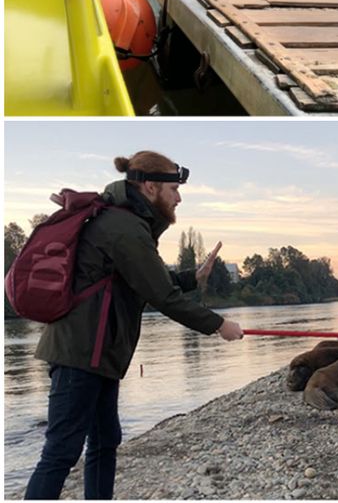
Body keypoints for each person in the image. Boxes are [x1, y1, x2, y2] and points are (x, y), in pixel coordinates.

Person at [24, 151, 244, 500]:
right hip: (80, 354)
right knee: (61, 453)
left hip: (98, 355)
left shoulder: (128, 222)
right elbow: (162, 296)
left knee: (104, 442)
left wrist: (192, 277)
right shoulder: (124, 227)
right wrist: (219, 325)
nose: (179, 197)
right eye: (174, 189)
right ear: (151, 186)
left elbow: (141, 279)